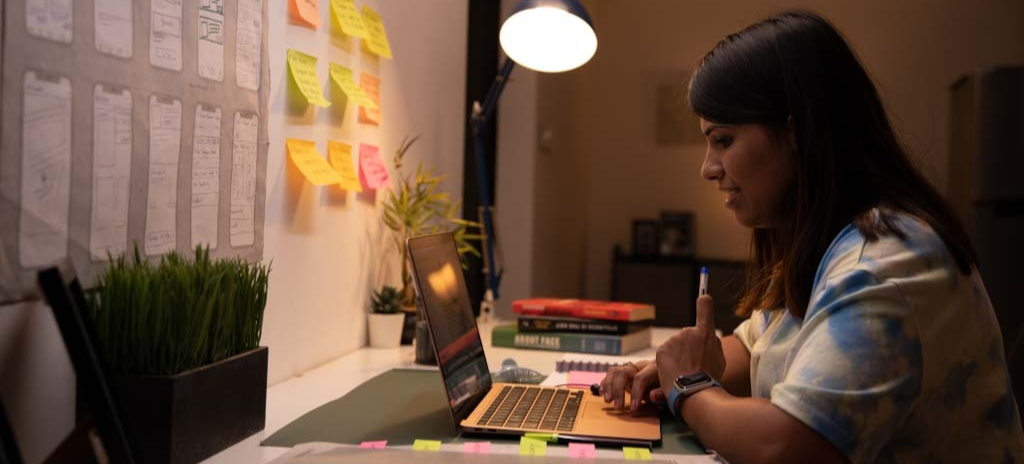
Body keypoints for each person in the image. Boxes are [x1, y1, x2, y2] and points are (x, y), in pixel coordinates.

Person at [600, 10, 1024, 464]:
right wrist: (667, 370)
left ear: (796, 131)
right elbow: (756, 345)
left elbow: (787, 447)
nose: (708, 168)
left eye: (723, 140)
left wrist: (688, 386)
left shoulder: (884, 264)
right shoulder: (826, 241)